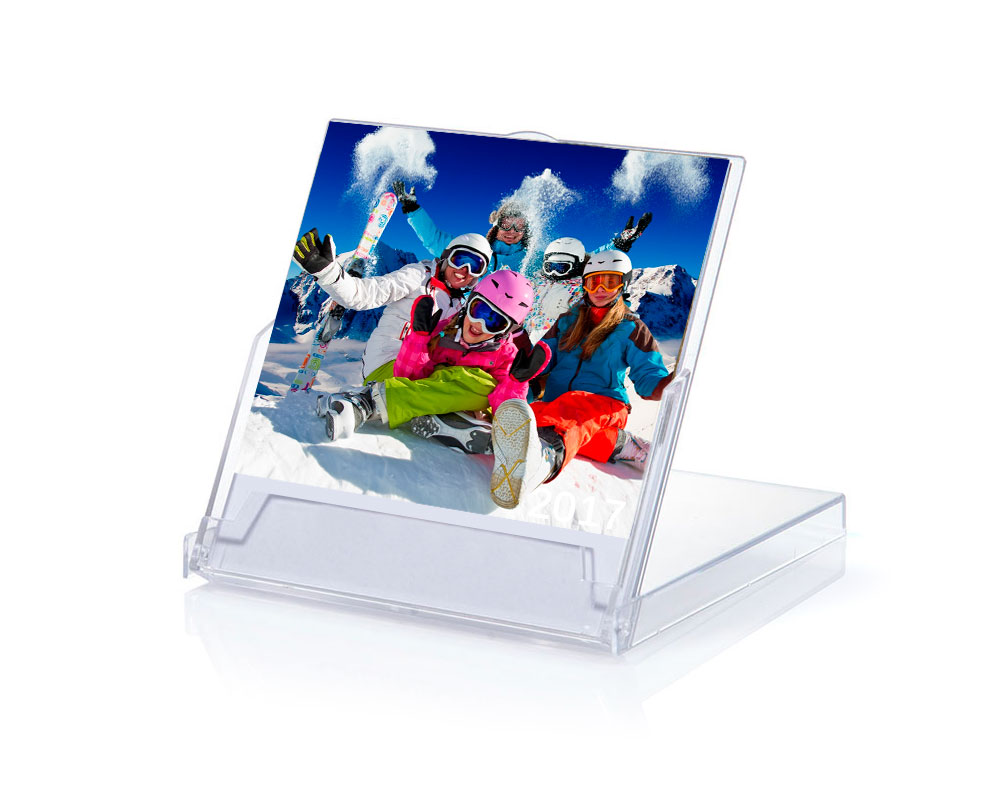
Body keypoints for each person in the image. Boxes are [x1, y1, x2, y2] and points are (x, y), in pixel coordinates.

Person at [488, 250, 673, 509]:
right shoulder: (567, 322)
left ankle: (545, 459)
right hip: (558, 404)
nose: (600, 290)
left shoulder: (631, 328)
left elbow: (649, 379)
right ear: (584, 283)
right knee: (533, 414)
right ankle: (619, 444)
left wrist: (670, 384)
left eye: (609, 282)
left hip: (606, 404)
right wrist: (521, 368)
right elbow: (543, 357)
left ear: (623, 284)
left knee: (571, 408)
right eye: (593, 282)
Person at [317, 269, 551, 442]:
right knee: (478, 383)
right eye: (479, 310)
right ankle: (371, 402)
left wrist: (515, 383)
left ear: (505, 332)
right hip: (423, 392)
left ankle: (450, 421)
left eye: (495, 322)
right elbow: (407, 378)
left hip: (459, 404)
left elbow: (504, 411)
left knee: (486, 387)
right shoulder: (442, 331)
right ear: (469, 303)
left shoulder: (506, 356)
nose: (480, 324)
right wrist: (418, 340)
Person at [292, 228, 492, 382]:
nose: (464, 270)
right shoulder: (418, 276)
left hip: (421, 368)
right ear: (447, 257)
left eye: (475, 266)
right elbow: (366, 294)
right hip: (387, 364)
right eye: (460, 260)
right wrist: (328, 273)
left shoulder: (460, 305)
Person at [394, 180, 530, 273]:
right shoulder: (474, 249)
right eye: (506, 224)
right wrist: (413, 209)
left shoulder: (530, 258)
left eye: (519, 225)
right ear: (496, 225)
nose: (512, 231)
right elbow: (435, 240)